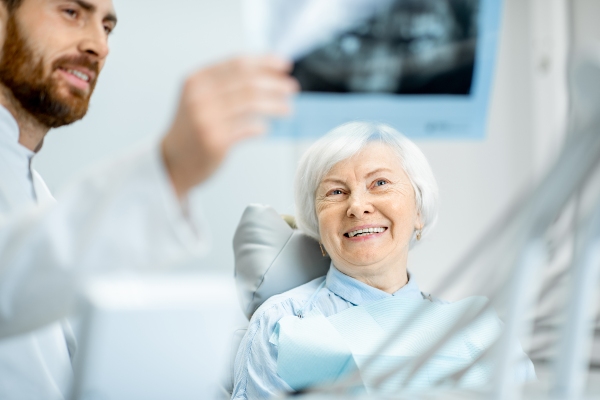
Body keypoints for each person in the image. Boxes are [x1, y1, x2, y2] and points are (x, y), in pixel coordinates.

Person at [0, 0, 298, 398]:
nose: (99, 45)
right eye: (72, 12)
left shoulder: (33, 191)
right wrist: (169, 168)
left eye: (107, 27)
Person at [232, 121, 536, 398]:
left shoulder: (481, 331)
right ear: (317, 226)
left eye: (379, 183)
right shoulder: (282, 324)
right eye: (336, 191)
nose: (357, 206)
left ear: (418, 211)